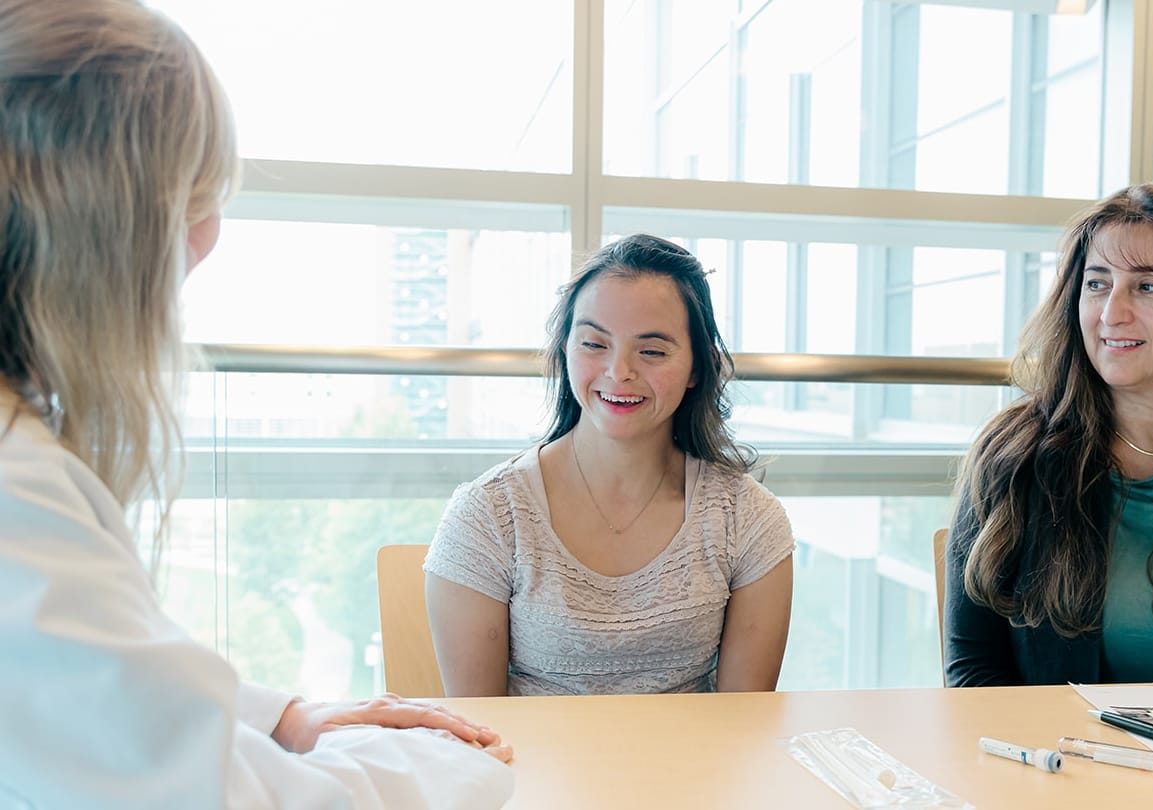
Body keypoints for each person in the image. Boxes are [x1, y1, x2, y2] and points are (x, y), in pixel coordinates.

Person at [0, 2, 513, 807]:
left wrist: (287, 717)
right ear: (106, 221)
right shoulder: (16, 490)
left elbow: (83, 688)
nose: (205, 240)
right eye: (190, 199)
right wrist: (461, 769)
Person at [423, 234, 795, 696]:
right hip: (532, 767)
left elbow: (745, 722)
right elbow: (479, 729)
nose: (619, 372)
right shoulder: (488, 515)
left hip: (695, 768)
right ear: (565, 350)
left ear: (698, 367)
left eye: (652, 350)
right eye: (594, 343)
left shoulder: (748, 519)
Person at [944, 183, 1153, 687]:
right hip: (1059, 761)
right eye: (1097, 284)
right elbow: (973, 669)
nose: (1111, 313)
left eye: (1148, 286)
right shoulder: (1014, 454)